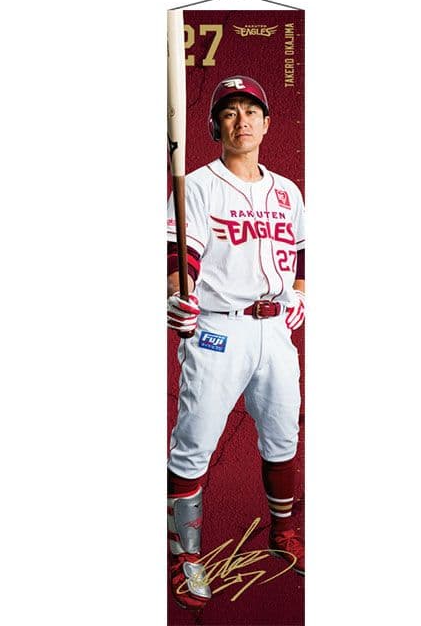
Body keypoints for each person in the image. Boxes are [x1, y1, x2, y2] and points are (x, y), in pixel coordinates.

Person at [166, 75, 306, 609]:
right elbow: (181, 257)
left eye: (251, 110)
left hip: (275, 330)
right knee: (195, 442)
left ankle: (282, 532)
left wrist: (301, 295)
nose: (241, 119)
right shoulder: (198, 186)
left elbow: (302, 253)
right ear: (214, 126)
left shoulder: (287, 191)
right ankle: (184, 554)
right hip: (218, 328)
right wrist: (176, 294)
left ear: (267, 124)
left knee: (283, 438)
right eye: (229, 112)